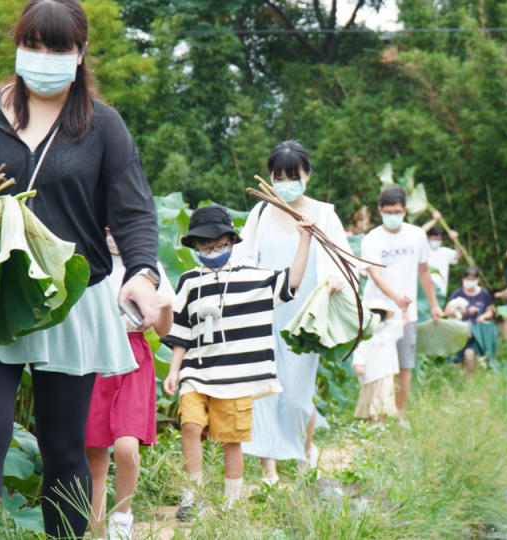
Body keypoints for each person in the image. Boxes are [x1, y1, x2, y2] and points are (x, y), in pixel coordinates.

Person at [0, 1, 162, 537]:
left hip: (71, 297)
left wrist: (144, 273)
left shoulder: (103, 127)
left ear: (80, 54)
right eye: (33, 45)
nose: (43, 57)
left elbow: (133, 212)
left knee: (65, 447)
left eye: (57, 48)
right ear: (19, 46)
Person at [162, 205, 314, 521]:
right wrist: (174, 371)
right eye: (205, 246)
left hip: (237, 375)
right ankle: (192, 496)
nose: (212, 251)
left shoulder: (253, 278)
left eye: (218, 245)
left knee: (231, 441)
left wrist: (305, 239)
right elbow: (181, 332)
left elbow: (292, 282)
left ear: (232, 241)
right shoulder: (190, 282)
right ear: (194, 247)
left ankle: (231, 503)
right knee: (190, 426)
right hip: (197, 370)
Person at [233, 140, 352, 484]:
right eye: (278, 176)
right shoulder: (259, 214)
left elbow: (342, 261)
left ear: (307, 176)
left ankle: (305, 449)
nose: (284, 182)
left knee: (299, 397)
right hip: (265, 313)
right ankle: (268, 471)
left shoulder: (323, 214)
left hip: (305, 318)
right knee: (265, 392)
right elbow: (243, 257)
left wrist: (335, 280)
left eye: (292, 176)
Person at [85, 232, 174, 540]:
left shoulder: (150, 267)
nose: (110, 235)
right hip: (91, 353)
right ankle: (95, 531)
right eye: (104, 229)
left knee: (126, 446)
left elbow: (163, 331)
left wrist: (164, 306)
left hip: (132, 354)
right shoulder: (87, 258)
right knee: (94, 454)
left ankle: (123, 516)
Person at [360, 186, 443, 422]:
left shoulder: (416, 234)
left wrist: (434, 304)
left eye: (397, 211)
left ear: (405, 210)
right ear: (380, 211)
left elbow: (424, 270)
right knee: (374, 364)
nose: (393, 215)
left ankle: (400, 416)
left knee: (404, 367)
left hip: (408, 313)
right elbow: (376, 274)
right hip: (378, 311)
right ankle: (373, 415)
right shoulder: (372, 239)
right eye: (388, 211)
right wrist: (396, 298)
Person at [352, 299, 404, 423]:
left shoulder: (390, 330)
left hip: (385, 371)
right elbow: (359, 351)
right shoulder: (364, 334)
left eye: (380, 314)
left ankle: (381, 422)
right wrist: (358, 364)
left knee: (383, 397)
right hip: (370, 374)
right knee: (369, 398)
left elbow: (404, 322)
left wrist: (405, 309)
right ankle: (369, 422)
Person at [445, 267, 495, 373]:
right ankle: (463, 381)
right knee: (458, 358)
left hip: (476, 332)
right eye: (468, 278)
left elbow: (490, 311)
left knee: (470, 354)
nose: (470, 281)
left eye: (473, 279)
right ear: (463, 279)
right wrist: (465, 312)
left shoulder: (483, 294)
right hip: (459, 331)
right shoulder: (457, 294)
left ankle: (470, 382)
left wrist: (483, 316)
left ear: (477, 280)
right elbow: (447, 312)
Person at [421, 213, 462, 305]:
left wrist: (456, 240)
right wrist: (434, 220)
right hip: (424, 290)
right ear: (428, 238)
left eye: (439, 239)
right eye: (434, 238)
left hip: (440, 291)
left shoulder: (444, 252)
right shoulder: (423, 249)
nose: (437, 241)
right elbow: (420, 232)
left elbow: (458, 255)